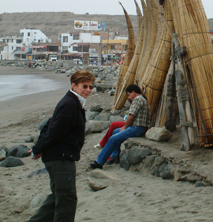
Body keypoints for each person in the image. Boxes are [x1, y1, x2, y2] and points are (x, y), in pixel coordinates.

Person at [28, 70, 96, 222]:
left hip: (59, 156)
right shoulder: (70, 103)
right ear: (74, 85)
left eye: (90, 87)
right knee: (67, 200)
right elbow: (54, 130)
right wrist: (39, 148)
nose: (88, 90)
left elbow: (50, 125)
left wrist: (39, 147)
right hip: (61, 158)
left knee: (58, 197)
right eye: (84, 86)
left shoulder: (72, 102)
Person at [90, 84, 150, 169]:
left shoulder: (137, 100)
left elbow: (131, 116)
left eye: (129, 95)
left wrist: (125, 127)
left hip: (137, 128)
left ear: (133, 93)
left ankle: (99, 162)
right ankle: (115, 156)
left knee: (113, 138)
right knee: (115, 132)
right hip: (139, 127)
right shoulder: (142, 99)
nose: (129, 97)